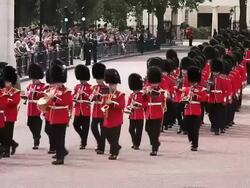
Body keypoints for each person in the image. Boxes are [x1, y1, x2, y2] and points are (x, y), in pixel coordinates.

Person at [48, 62, 73, 165]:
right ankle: (62, 151)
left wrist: (55, 100)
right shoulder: (53, 90)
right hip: (53, 116)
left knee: (60, 138)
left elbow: (66, 102)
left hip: (62, 116)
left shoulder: (67, 91)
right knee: (54, 136)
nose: (58, 83)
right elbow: (49, 102)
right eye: (57, 81)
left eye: (59, 82)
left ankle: (60, 158)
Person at [182, 66, 207, 151]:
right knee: (188, 128)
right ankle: (191, 139)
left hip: (197, 111)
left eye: (194, 82)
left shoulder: (202, 89)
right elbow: (182, 98)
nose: (193, 83)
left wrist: (195, 96)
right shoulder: (186, 89)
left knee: (195, 129)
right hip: (188, 110)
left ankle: (195, 145)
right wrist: (185, 98)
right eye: (192, 82)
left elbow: (204, 98)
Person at [102, 69, 125, 160]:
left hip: (116, 120)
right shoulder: (106, 94)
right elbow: (103, 104)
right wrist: (104, 106)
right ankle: (116, 146)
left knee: (114, 137)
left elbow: (122, 105)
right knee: (107, 135)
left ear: (116, 85)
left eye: (113, 85)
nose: (112, 86)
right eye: (110, 85)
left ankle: (113, 153)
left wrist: (111, 103)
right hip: (107, 119)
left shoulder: (120, 95)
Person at [144, 66, 166, 156]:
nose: (154, 84)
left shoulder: (161, 91)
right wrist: (145, 93)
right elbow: (144, 100)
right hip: (149, 113)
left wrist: (151, 92)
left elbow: (160, 98)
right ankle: (155, 142)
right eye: (153, 82)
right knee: (148, 129)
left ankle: (154, 149)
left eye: (156, 82)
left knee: (155, 132)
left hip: (158, 113)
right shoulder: (147, 88)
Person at [24, 63, 45, 150]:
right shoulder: (30, 86)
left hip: (38, 109)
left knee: (37, 125)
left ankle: (36, 140)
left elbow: (44, 96)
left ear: (38, 78)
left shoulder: (43, 86)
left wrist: (36, 92)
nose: (33, 80)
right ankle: (36, 136)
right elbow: (26, 95)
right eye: (32, 79)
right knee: (30, 124)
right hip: (30, 108)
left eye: (35, 79)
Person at [2, 66, 21, 157]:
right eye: (6, 82)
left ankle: (7, 151)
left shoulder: (15, 92)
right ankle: (13, 144)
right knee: (3, 133)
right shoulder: (2, 91)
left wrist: (7, 100)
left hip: (11, 115)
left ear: (11, 82)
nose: (7, 84)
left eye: (8, 82)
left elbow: (15, 101)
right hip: (3, 115)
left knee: (8, 133)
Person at [73, 65, 92, 150]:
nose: (81, 81)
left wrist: (84, 94)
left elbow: (91, 97)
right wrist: (75, 96)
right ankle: (83, 137)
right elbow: (73, 95)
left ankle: (83, 143)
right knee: (75, 125)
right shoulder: (77, 87)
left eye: (83, 80)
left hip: (86, 110)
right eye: (80, 80)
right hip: (78, 110)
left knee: (85, 128)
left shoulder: (90, 87)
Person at [91, 63, 108, 155]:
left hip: (102, 111)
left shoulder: (106, 88)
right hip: (95, 111)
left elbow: (107, 100)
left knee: (103, 130)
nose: (98, 81)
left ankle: (101, 148)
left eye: (100, 79)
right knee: (93, 128)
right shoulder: (94, 87)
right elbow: (91, 99)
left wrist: (100, 96)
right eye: (97, 79)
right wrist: (93, 96)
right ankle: (99, 142)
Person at [126, 73, 146, 150]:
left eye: (136, 89)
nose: (135, 91)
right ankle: (135, 142)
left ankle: (136, 144)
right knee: (131, 130)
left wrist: (139, 105)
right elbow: (127, 104)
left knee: (139, 131)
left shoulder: (142, 95)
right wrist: (129, 107)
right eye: (134, 89)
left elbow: (145, 104)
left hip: (140, 115)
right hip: (132, 115)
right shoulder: (131, 95)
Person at [44, 70, 56, 154]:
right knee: (47, 129)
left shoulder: (57, 90)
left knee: (52, 130)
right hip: (47, 113)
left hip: (55, 113)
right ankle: (53, 144)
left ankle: (53, 146)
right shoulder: (46, 89)